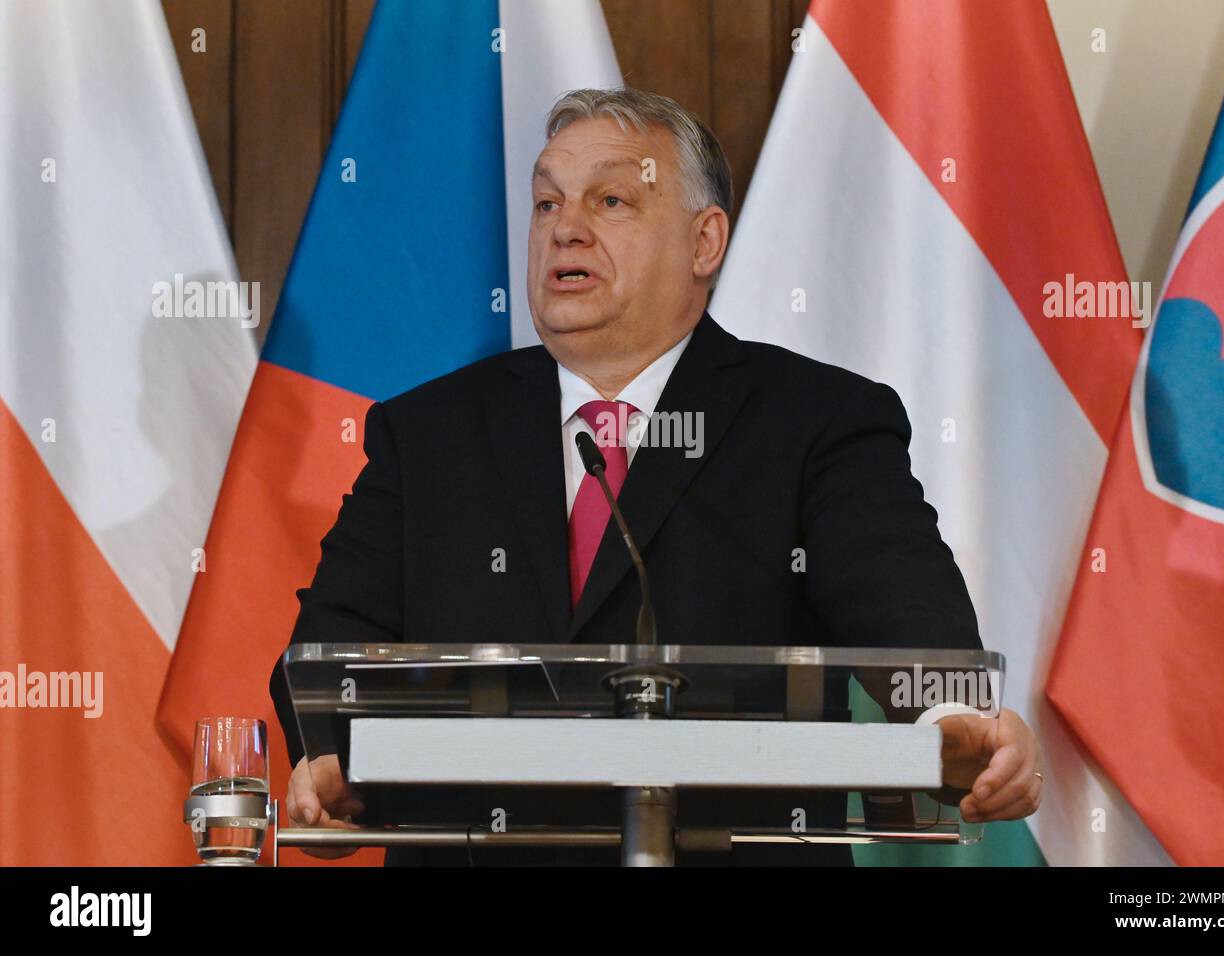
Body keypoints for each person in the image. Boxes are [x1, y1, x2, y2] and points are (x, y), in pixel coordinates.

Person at [269, 87, 1043, 866]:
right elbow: (334, 646)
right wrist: (334, 760)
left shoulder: (817, 421)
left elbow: (904, 604)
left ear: (705, 242)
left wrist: (950, 723)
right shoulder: (430, 433)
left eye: (610, 199)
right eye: (545, 204)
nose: (564, 228)